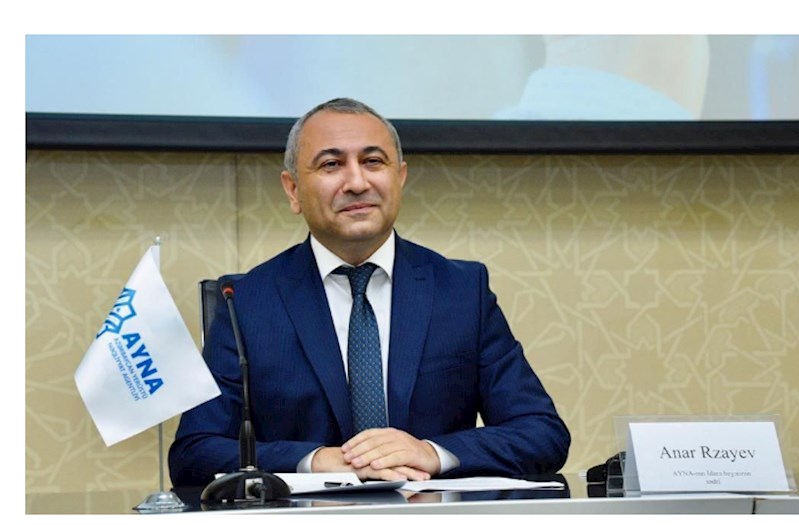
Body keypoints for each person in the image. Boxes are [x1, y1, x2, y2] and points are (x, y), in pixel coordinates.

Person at [168, 97, 570, 487]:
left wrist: (432, 453)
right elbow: (193, 453)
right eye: (331, 165)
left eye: (373, 162)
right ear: (292, 190)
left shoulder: (461, 291)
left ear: (400, 177)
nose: (357, 183)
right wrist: (314, 461)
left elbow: (542, 433)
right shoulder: (247, 302)